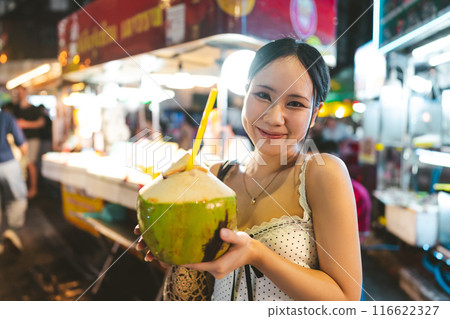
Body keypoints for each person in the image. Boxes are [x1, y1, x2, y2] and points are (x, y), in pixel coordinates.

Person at [136, 38, 362, 300]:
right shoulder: (217, 175)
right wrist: (170, 247)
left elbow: (347, 299)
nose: (273, 117)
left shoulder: (322, 172)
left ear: (314, 113)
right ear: (246, 92)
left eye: (295, 103)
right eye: (263, 95)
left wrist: (258, 254)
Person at [0, 110, 28, 253]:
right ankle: (12, 230)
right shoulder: (5, 117)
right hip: (8, 164)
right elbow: (21, 143)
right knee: (17, 198)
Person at [11, 86, 45, 199]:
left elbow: (41, 123)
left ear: (25, 92)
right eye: (18, 93)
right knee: (20, 164)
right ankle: (22, 188)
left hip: (32, 138)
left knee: (30, 163)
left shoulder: (33, 109)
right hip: (20, 140)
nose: (20, 94)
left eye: (21, 92)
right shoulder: (15, 109)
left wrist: (26, 124)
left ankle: (33, 189)